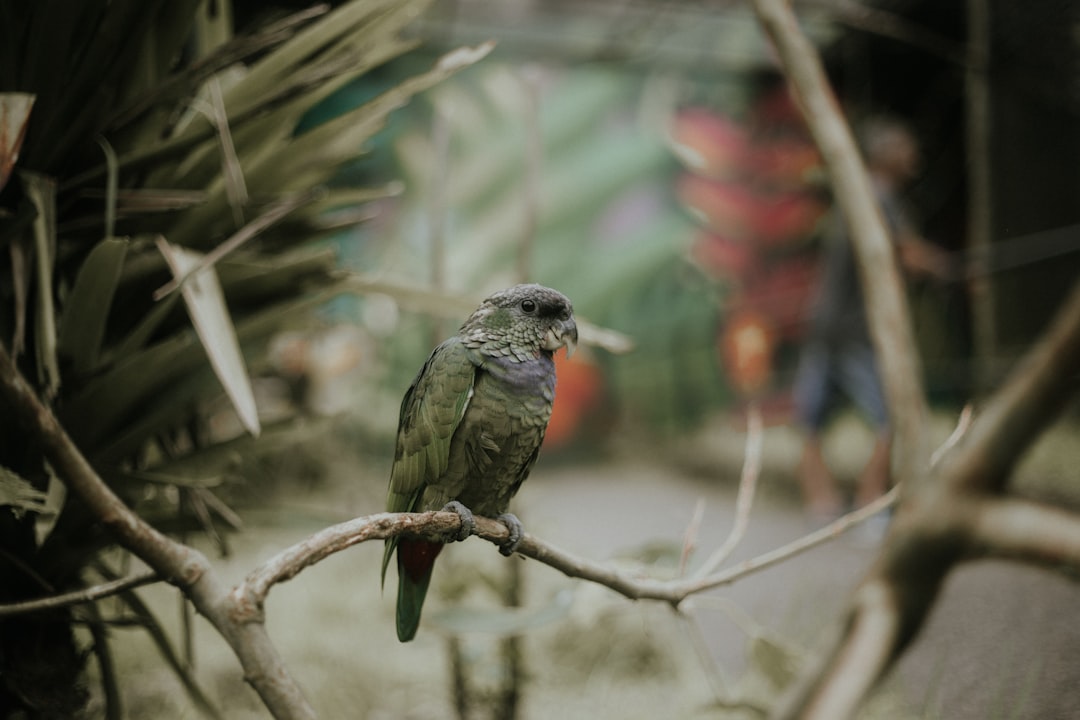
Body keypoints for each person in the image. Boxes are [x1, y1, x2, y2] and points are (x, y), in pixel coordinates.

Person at [792, 116, 949, 522]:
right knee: (890, 418)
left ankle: (822, 503)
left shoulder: (857, 194)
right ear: (885, 155)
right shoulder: (878, 196)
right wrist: (948, 269)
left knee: (810, 421)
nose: (914, 155)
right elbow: (909, 253)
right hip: (854, 330)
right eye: (905, 147)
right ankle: (868, 503)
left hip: (826, 323)